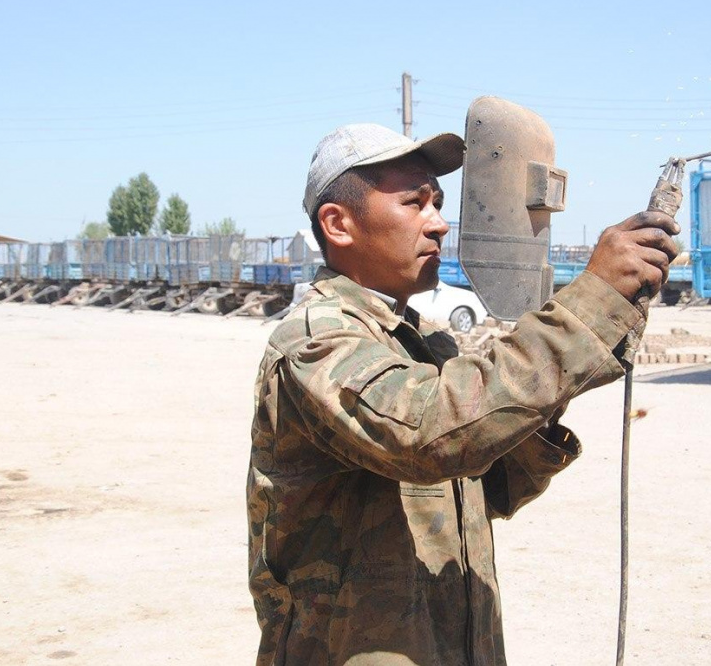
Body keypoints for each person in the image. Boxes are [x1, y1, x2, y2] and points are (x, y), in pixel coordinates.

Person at [247, 124, 679, 665]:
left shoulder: (424, 344)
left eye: (439, 202)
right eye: (414, 203)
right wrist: (586, 305)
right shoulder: (316, 342)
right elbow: (429, 433)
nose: (439, 223)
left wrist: (595, 332)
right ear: (339, 224)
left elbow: (488, 485)